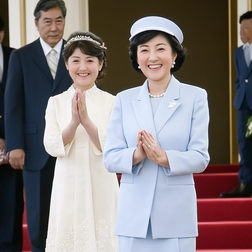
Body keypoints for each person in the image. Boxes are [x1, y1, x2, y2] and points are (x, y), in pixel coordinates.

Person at [103, 16, 210, 252]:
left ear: (174, 56)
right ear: (137, 58)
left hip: (175, 217)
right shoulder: (124, 99)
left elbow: (200, 157)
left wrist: (164, 158)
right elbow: (110, 157)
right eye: (144, 50)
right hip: (134, 217)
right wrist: (136, 155)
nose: (152, 57)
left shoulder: (195, 97)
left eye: (160, 49)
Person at [4, 1, 72, 251]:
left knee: (69, 208)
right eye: (47, 21)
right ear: (36, 24)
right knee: (37, 212)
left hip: (71, 145)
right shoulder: (21, 56)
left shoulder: (76, 53)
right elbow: (13, 104)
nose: (54, 28)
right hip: (33, 148)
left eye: (59, 21)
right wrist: (15, 145)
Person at [43, 31, 119, 252]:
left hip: (102, 181)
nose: (83, 67)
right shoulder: (55, 103)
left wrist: (86, 121)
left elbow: (112, 144)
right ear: (67, 64)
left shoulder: (112, 102)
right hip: (68, 182)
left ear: (101, 63)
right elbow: (51, 144)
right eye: (76, 60)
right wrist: (74, 122)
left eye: (90, 60)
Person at [220, 11, 252, 198]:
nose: (242, 32)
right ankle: (245, 183)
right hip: (244, 106)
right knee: (245, 142)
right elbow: (240, 79)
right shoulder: (239, 52)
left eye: (246, 28)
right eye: (241, 28)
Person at [0, 16, 24, 252]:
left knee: (11, 213)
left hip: (11, 150)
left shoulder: (17, 57)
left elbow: (21, 102)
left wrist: (12, 140)